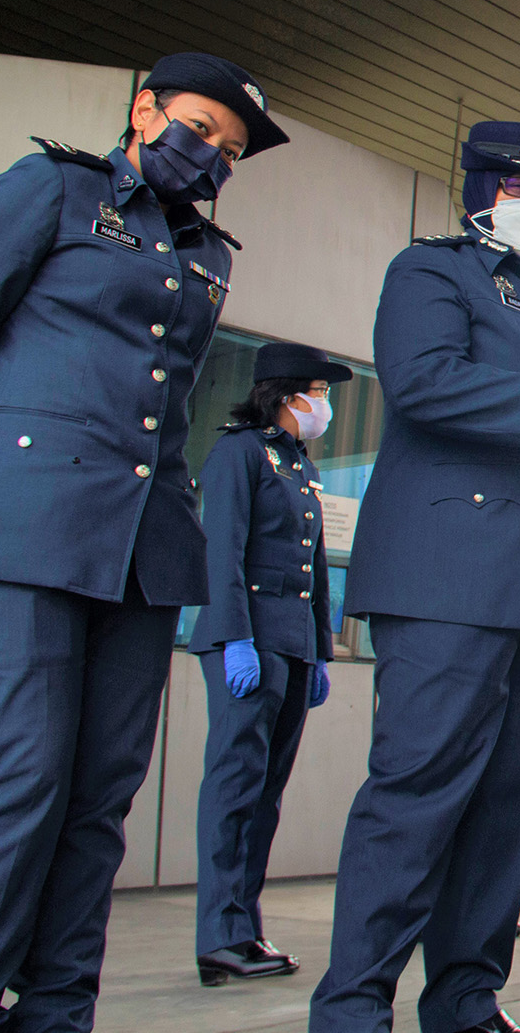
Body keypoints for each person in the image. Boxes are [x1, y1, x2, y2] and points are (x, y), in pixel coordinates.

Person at [0, 52, 287, 1033]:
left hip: (142, 548)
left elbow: (174, 402)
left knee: (101, 791)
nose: (212, 158)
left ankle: (58, 1006)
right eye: (200, 129)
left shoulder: (212, 253)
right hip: (14, 527)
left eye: (231, 152)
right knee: (22, 770)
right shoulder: (51, 191)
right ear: (144, 109)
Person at [309, 120, 520, 1033]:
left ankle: (463, 998)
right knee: (419, 790)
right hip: (451, 574)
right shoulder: (432, 271)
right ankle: (351, 1010)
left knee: (514, 795)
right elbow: (419, 382)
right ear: (483, 190)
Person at [190, 342, 354, 986]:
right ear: (287, 395)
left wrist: (319, 649)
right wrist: (233, 637)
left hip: (289, 645)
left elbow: (313, 573)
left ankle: (243, 928)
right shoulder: (240, 454)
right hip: (247, 641)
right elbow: (221, 551)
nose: (326, 404)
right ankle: (219, 934)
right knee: (234, 786)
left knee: (265, 794)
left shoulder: (298, 466)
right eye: (320, 390)